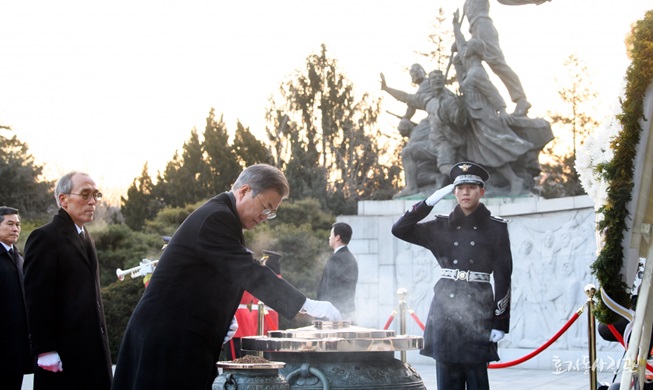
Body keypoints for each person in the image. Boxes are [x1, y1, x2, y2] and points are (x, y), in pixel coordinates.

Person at [112, 163, 341, 390]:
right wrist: (305, 304)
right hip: (168, 339)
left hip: (182, 337)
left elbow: (212, 277)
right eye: (266, 207)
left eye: (271, 213)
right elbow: (248, 271)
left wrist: (223, 316)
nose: (265, 216)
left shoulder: (225, 218)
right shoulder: (216, 218)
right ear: (244, 191)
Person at [392, 162, 513, 390]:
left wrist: (500, 322)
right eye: (460, 187)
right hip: (444, 310)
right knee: (446, 379)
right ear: (453, 192)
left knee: (477, 378)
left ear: (482, 191)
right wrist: (428, 202)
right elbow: (400, 229)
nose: (465, 192)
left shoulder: (495, 228)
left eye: (472, 187)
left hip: (478, 309)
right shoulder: (441, 226)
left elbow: (504, 277)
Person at [23, 172, 113, 390]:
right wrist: (45, 350)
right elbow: (37, 298)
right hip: (63, 357)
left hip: (92, 351)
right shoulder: (44, 238)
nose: (93, 201)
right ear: (63, 200)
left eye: (96, 194)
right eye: (85, 194)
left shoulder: (86, 237)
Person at [453, 12, 534, 196]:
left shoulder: (478, 72)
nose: (464, 49)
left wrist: (502, 109)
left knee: (492, 150)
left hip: (484, 117)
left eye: (468, 48)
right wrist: (456, 27)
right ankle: (494, 184)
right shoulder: (470, 68)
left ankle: (515, 180)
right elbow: (460, 44)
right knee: (480, 154)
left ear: (473, 51)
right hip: (475, 119)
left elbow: (493, 92)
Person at [461, 0, 532, 116]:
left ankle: (521, 100)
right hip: (474, 30)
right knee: (466, 61)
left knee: (497, 64)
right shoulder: (466, 3)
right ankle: (478, 106)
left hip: (483, 27)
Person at [381, 64, 443, 196]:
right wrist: (405, 119)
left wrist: (387, 89)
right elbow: (412, 104)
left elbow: (409, 99)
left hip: (437, 130)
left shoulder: (427, 84)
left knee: (409, 151)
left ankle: (412, 187)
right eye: (412, 71)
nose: (414, 73)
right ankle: (429, 179)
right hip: (435, 127)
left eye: (417, 70)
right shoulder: (423, 88)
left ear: (424, 71)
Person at [0, 207, 32, 390]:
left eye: (18, 225)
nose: (15, 229)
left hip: (16, 346)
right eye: (10, 224)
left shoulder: (18, 256)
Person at [317, 222, 359, 322]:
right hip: (345, 313)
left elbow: (330, 290)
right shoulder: (349, 257)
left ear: (337, 237)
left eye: (331, 234)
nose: (329, 237)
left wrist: (322, 314)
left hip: (335, 316)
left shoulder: (337, 259)